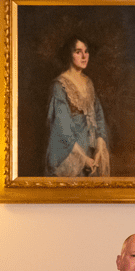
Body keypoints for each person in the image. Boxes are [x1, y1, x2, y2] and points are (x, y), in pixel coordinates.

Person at [46, 36, 110, 177]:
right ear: (69, 54)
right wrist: (83, 159)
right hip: (70, 155)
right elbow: (62, 128)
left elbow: (99, 117)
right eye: (78, 51)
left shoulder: (88, 83)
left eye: (86, 52)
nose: (84, 56)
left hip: (92, 155)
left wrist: (99, 149)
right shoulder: (60, 85)